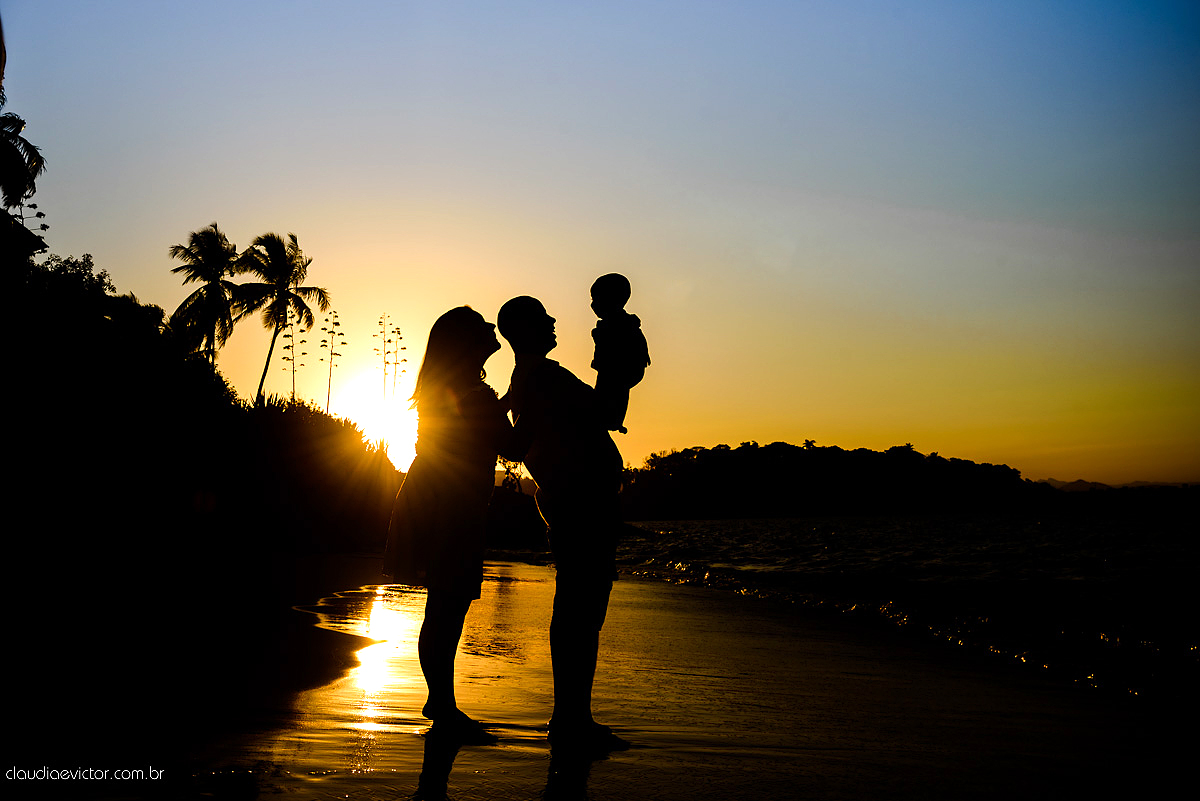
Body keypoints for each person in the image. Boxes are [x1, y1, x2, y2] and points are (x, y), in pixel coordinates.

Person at [497, 295, 629, 753]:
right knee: (581, 609)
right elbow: (607, 413)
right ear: (524, 329)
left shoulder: (531, 377)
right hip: (580, 504)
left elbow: (597, 415)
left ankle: (573, 716)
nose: (554, 320)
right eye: (543, 317)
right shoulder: (541, 377)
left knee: (579, 606)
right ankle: (572, 719)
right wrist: (614, 357)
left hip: (576, 501)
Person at [384, 306, 509, 743]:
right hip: (451, 505)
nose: (491, 328)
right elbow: (512, 445)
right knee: (447, 608)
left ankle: (441, 701)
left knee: (442, 607)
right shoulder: (473, 395)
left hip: (433, 497)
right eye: (482, 326)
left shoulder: (452, 389)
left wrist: (509, 401)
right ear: (466, 343)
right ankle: (442, 704)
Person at [589, 273, 650, 434]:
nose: (592, 305)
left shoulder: (618, 326)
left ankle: (610, 418)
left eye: (595, 299)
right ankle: (611, 418)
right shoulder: (619, 324)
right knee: (613, 387)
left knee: (612, 386)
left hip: (620, 367)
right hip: (619, 368)